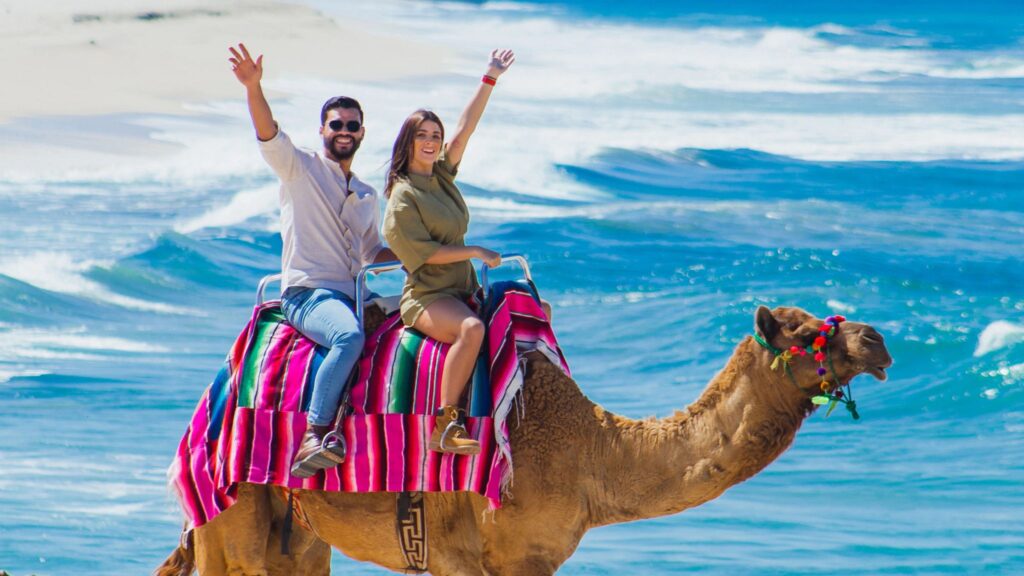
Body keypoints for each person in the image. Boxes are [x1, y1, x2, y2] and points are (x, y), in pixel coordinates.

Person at [228, 44, 396, 477]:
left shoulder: (365, 193)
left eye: (352, 125)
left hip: (358, 290)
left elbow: (372, 253)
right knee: (348, 338)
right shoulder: (299, 168)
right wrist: (253, 87)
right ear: (322, 129)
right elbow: (269, 133)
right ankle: (315, 434)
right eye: (336, 124)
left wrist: (426, 256)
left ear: (362, 132)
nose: (345, 130)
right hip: (309, 294)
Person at [383, 49, 539, 455]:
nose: (433, 142)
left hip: (462, 289)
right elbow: (426, 255)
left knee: (535, 308)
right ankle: (446, 424)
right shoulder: (402, 198)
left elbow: (465, 129)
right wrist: (472, 250)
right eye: (423, 135)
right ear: (408, 142)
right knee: (472, 330)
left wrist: (490, 77)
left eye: (435, 135)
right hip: (429, 297)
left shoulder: (442, 177)